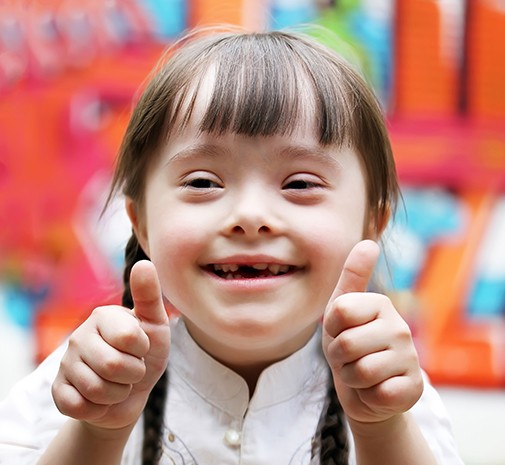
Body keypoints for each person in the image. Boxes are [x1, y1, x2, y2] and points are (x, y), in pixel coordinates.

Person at [0, 27, 464, 465]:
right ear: (140, 223)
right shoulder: (82, 377)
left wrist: (381, 427)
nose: (250, 216)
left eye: (300, 183)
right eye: (203, 181)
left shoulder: (396, 391)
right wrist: (98, 432)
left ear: (371, 222)